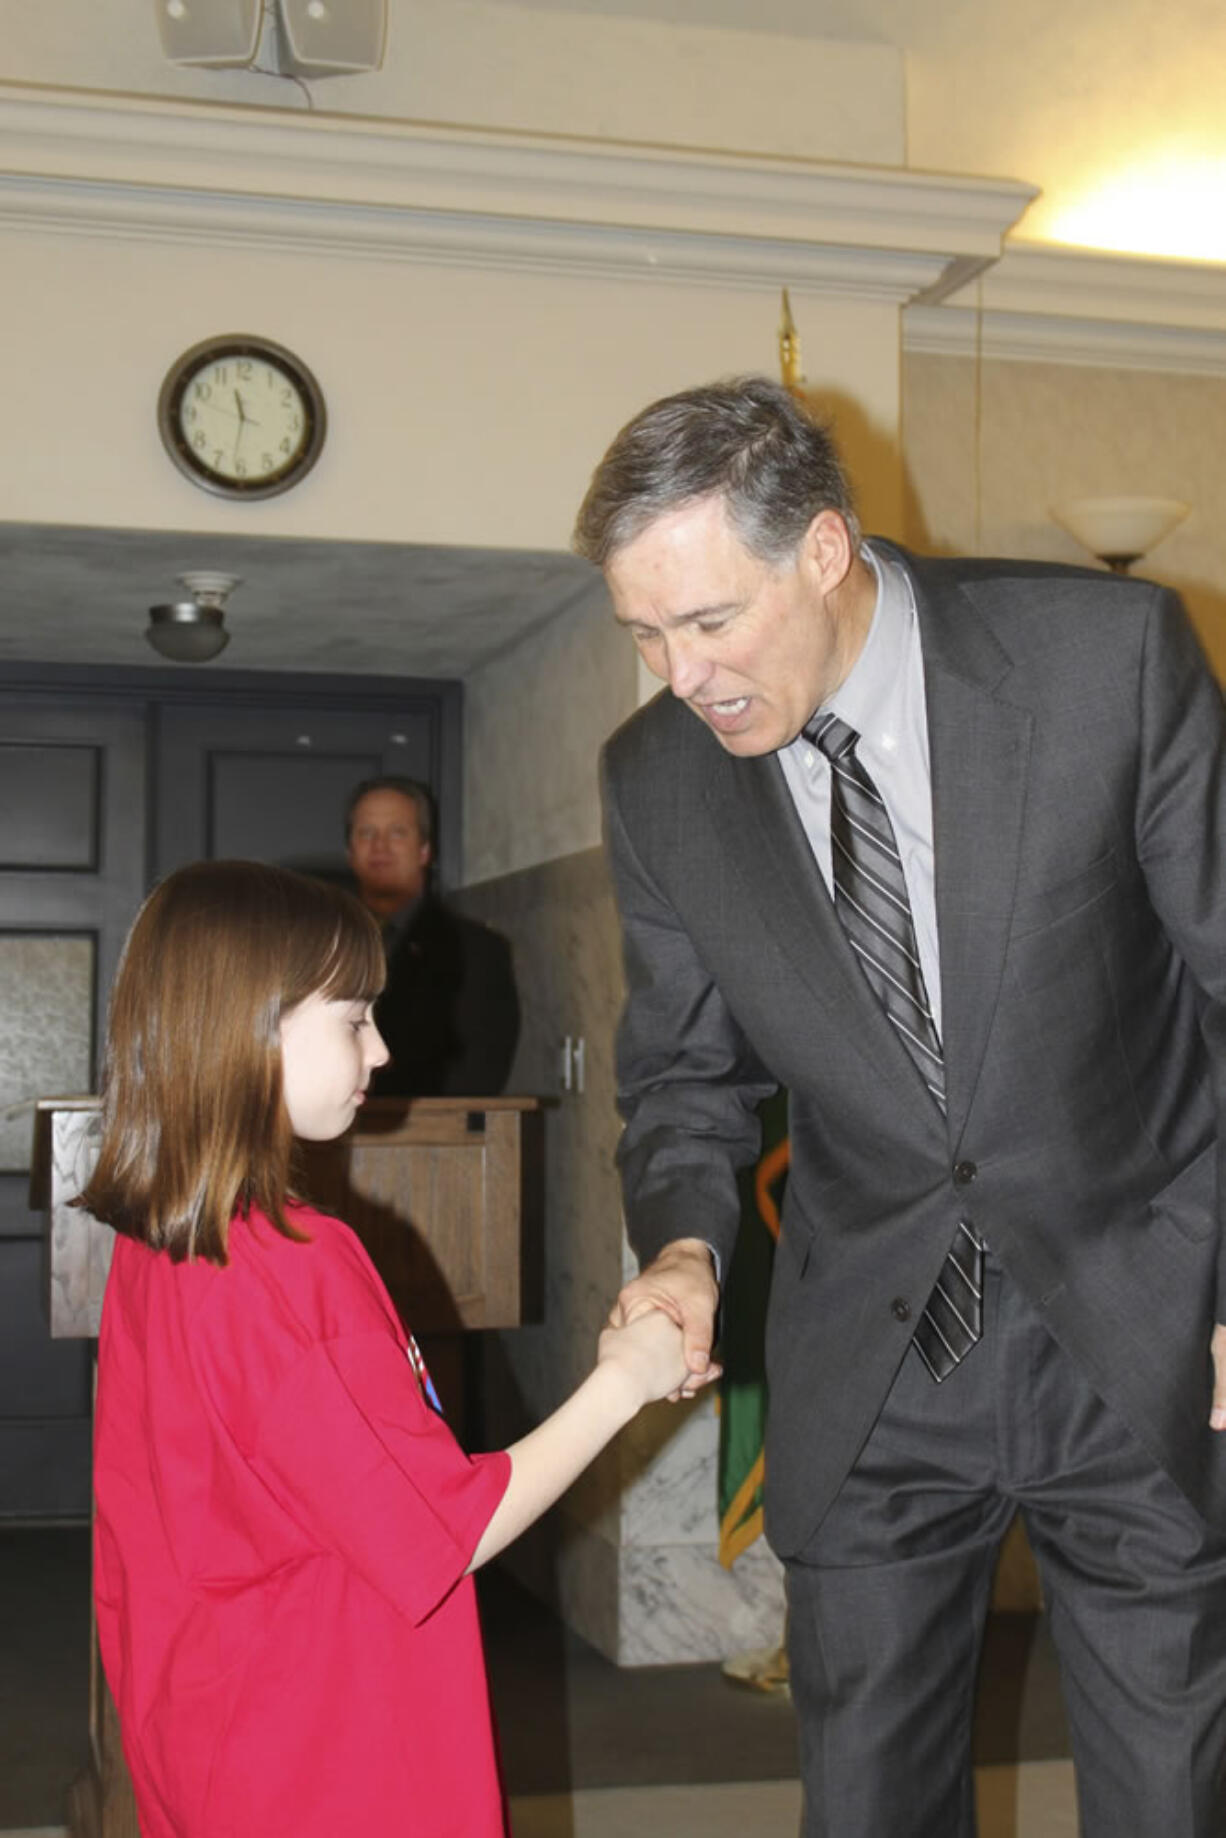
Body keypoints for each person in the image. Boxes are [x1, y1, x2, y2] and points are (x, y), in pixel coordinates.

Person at [574, 375, 1226, 1837]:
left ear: (821, 549)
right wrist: (681, 1245)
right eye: (643, 632)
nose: (680, 675)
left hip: (1135, 1316)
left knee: (1167, 1793)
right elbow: (685, 1071)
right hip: (876, 1355)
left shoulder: (1099, 660)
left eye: (709, 620)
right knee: (865, 1805)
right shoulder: (657, 783)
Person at [81, 860, 690, 1838]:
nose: (382, 1047)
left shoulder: (163, 1232)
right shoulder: (291, 1262)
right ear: (249, 1026)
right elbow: (448, 1529)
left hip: (209, 1723)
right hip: (328, 1754)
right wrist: (624, 1379)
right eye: (353, 1016)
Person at [344, 775, 521, 1097]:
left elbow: (479, 1073)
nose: (380, 846)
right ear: (350, 850)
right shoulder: (320, 943)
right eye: (366, 832)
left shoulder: (477, 951)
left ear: (425, 850)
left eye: (397, 833)